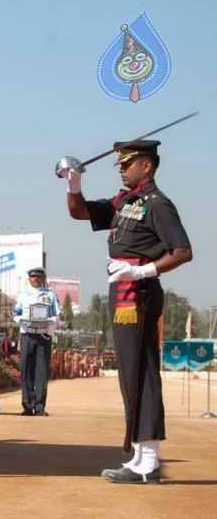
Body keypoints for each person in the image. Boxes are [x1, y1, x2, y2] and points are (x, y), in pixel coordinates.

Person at [59, 139, 192, 484]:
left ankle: (148, 460)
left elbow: (182, 251)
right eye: (119, 163)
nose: (121, 168)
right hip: (122, 289)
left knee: (142, 372)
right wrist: (74, 184)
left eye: (127, 163)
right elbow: (79, 211)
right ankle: (140, 454)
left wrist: (143, 272)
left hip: (140, 291)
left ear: (146, 166)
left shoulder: (157, 204)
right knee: (130, 373)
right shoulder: (124, 201)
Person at [12, 267, 61, 417]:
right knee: (26, 371)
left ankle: (40, 407)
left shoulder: (50, 294)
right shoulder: (23, 294)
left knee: (41, 372)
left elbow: (58, 314)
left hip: (43, 336)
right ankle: (27, 406)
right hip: (27, 335)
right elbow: (15, 313)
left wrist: (53, 320)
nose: (36, 279)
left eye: (39, 277)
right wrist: (18, 319)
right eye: (33, 277)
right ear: (29, 279)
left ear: (43, 278)